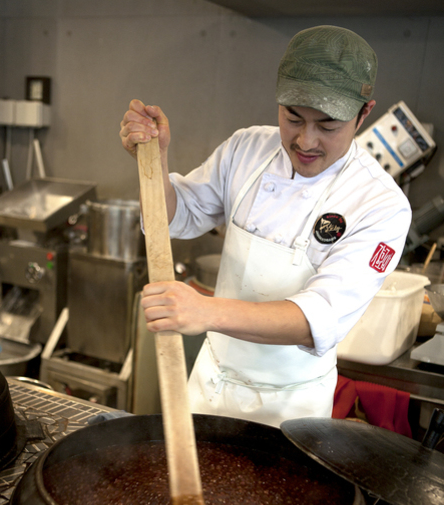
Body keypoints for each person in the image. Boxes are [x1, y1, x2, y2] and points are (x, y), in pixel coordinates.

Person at [119, 25, 412, 429]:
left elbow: (316, 320)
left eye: (327, 126)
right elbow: (177, 216)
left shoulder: (381, 204)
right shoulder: (246, 148)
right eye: (293, 118)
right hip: (211, 385)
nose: (306, 141)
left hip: (292, 409)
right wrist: (155, 162)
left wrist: (205, 310)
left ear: (363, 114)